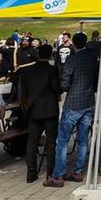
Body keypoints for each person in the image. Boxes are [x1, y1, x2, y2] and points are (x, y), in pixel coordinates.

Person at [48, 33, 98, 187]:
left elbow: (65, 82)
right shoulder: (92, 59)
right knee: (83, 139)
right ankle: (77, 171)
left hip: (73, 102)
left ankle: (58, 174)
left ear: (73, 44)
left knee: (62, 140)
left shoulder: (72, 59)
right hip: (88, 101)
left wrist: (61, 88)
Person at [18, 44, 61, 184]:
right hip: (49, 109)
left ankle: (31, 173)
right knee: (51, 142)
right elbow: (56, 88)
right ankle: (50, 172)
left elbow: (22, 90)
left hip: (33, 109)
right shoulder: (52, 70)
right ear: (50, 55)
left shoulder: (27, 71)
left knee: (32, 142)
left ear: (38, 54)